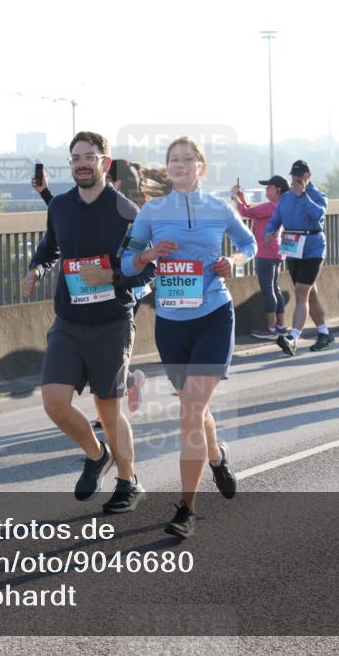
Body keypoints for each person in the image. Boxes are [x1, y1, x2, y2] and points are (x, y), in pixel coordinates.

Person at [121, 136, 256, 539]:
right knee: (194, 410)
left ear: (202, 166)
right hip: (172, 323)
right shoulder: (151, 211)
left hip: (214, 315)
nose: (180, 165)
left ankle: (186, 509)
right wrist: (147, 255)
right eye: (173, 160)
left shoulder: (219, 207)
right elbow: (127, 262)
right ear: (168, 168)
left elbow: (249, 243)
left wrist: (232, 260)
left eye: (187, 159)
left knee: (189, 413)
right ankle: (216, 456)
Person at [23, 132, 156, 513]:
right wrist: (36, 269)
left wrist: (112, 276)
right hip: (68, 320)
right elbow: (51, 247)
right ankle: (97, 455)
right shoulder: (61, 206)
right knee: (55, 403)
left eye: (90, 156)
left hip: (111, 322)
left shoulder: (127, 212)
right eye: (76, 157)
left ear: (105, 163)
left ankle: (128, 481)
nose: (82, 162)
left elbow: (147, 273)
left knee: (108, 408)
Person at [31, 160, 149, 415]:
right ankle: (129, 381)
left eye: (113, 180)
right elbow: (73, 218)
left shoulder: (127, 208)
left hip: (125, 288)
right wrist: (45, 194)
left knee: (111, 349)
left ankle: (109, 404)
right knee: (106, 358)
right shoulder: (86, 198)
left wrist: (113, 276)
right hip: (87, 290)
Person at [265, 160, 334, 355]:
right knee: (309, 293)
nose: (296, 179)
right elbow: (275, 219)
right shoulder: (285, 198)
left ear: (308, 176)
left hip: (313, 247)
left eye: (300, 175)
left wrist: (302, 195)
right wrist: (269, 232)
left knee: (301, 291)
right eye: (294, 175)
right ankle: (324, 333)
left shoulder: (318, 195)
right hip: (293, 247)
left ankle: (293, 338)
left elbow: (318, 214)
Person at [232, 175, 289, 339]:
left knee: (267, 290)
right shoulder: (280, 205)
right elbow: (254, 213)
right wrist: (241, 197)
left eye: (268, 187)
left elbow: (246, 212)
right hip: (277, 251)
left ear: (277, 189)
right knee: (275, 288)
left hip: (265, 251)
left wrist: (234, 197)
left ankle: (271, 329)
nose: (266, 189)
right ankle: (280, 326)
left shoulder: (271, 206)